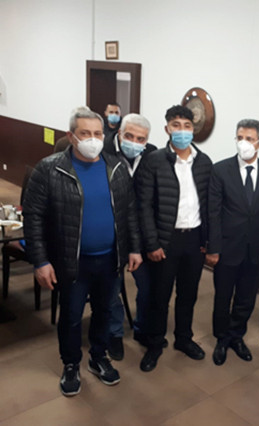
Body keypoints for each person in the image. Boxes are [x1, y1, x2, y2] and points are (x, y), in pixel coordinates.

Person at [23, 106, 142, 396]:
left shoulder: (116, 168)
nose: (93, 139)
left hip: (110, 259)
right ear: (71, 136)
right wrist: (40, 261)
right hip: (71, 261)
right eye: (85, 133)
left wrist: (134, 249)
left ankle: (98, 357)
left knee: (104, 311)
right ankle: (71, 364)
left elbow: (129, 213)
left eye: (98, 133)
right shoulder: (49, 169)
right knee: (72, 316)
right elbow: (33, 217)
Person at [137, 105, 212, 372]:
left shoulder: (204, 162)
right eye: (176, 125)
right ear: (167, 128)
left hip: (194, 239)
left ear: (194, 129)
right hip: (165, 241)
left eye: (187, 126)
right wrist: (152, 243)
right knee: (159, 296)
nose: (182, 131)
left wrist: (208, 241)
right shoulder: (154, 161)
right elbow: (144, 206)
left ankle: (184, 338)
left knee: (188, 294)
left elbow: (209, 205)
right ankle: (155, 343)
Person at [206, 119, 259, 365]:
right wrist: (214, 247)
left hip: (256, 247)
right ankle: (221, 339)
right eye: (239, 138)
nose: (243, 143)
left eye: (249, 139)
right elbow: (213, 211)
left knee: (246, 297)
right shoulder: (220, 169)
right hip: (227, 247)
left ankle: (237, 336)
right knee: (223, 296)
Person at [105, 113, 158, 360]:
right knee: (111, 289)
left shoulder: (152, 154)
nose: (134, 142)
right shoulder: (103, 151)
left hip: (141, 232)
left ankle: (141, 328)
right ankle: (114, 333)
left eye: (141, 139)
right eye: (130, 136)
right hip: (111, 231)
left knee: (147, 287)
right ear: (119, 133)